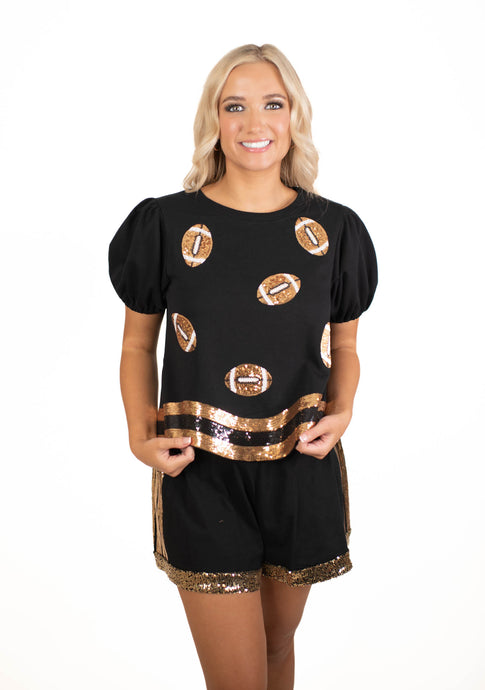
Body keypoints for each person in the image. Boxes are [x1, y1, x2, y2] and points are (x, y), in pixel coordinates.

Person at [108, 43, 378, 690]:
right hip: (200, 467)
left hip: (301, 465)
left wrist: (342, 412)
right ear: (214, 119)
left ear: (294, 116)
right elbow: (137, 345)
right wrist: (140, 433)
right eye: (235, 106)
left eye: (272, 104)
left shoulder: (335, 230)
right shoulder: (164, 223)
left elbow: (344, 347)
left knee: (276, 649)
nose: (254, 122)